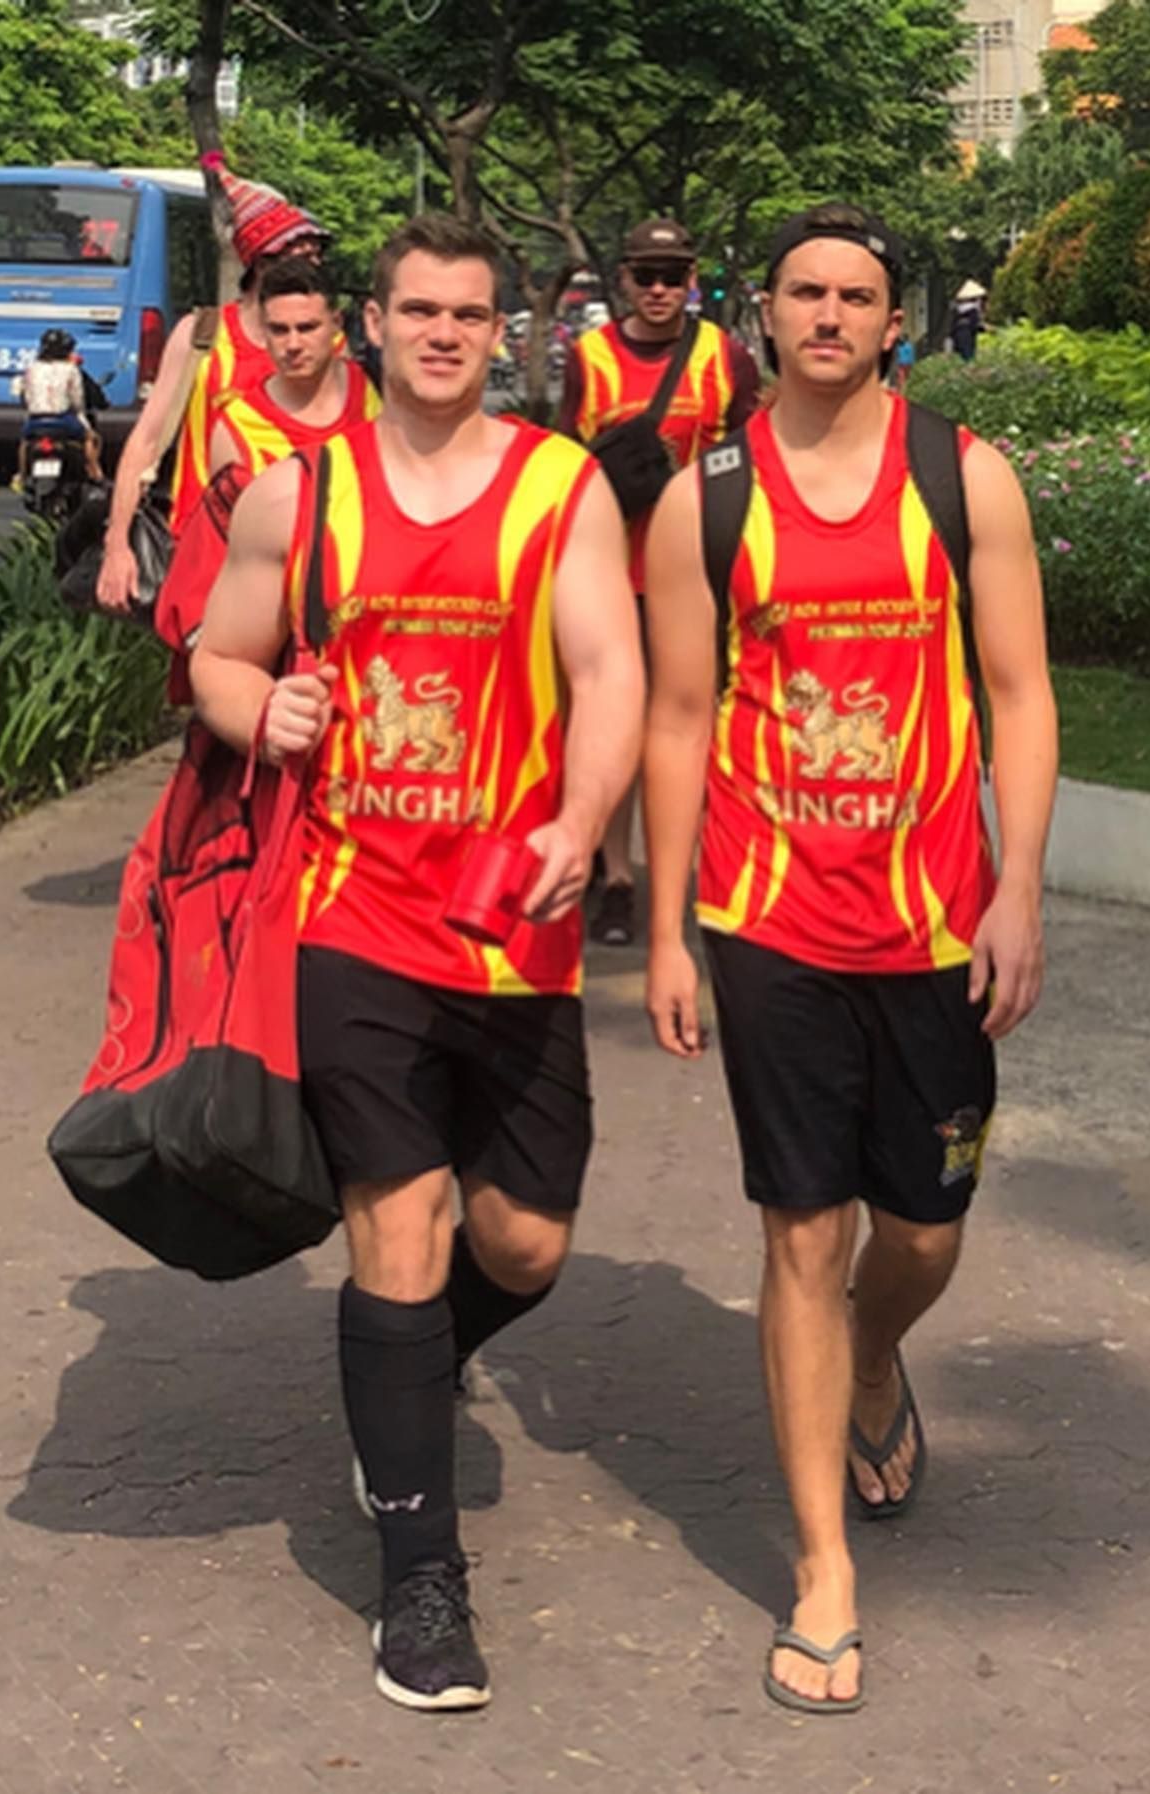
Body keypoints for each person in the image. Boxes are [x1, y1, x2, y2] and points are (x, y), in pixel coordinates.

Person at [190, 214, 644, 1712]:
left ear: (501, 329)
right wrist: (260, 712)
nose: (443, 332)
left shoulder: (559, 485)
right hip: (351, 916)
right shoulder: (297, 493)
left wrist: (585, 820)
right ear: (372, 325)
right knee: (396, 1222)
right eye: (419, 310)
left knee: (521, 1243)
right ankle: (420, 1584)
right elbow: (216, 648)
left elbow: (605, 674)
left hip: (516, 926)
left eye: (470, 312)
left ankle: (403, 1361)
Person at [641, 201, 1057, 1713]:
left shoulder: (965, 477)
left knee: (924, 1234)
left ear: (896, 320)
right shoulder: (705, 499)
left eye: (857, 294)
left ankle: (880, 1351)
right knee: (803, 1236)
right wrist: (674, 925)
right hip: (774, 924)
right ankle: (824, 1566)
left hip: (939, 920)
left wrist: (1020, 884)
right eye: (805, 291)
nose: (829, 314)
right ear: (766, 312)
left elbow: (1018, 691)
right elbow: (678, 719)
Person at [558, 217, 760, 946]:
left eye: (672, 276)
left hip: (697, 580)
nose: (658, 289)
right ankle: (616, 878)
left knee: (693, 731)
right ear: (623, 280)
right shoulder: (590, 359)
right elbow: (564, 465)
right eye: (645, 274)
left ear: (692, 280)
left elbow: (752, 459)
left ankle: (704, 877)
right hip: (609, 574)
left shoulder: (723, 358)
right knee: (612, 727)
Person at [95, 153, 330, 613]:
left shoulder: (329, 343)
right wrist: (118, 545)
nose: (312, 265)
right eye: (295, 255)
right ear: (258, 262)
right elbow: (146, 440)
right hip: (208, 553)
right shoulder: (203, 336)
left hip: (308, 555)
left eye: (316, 254)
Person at [155, 256, 381, 688]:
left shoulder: (372, 395)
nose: (293, 344)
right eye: (279, 330)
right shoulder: (236, 428)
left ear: (335, 323)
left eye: (307, 328)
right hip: (277, 657)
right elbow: (226, 560)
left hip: (368, 634)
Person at [10, 328, 105, 492]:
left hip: (36, 421)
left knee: (25, 443)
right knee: (91, 438)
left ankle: (21, 475)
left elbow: (26, 397)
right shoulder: (71, 370)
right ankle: (94, 471)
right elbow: (77, 401)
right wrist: (84, 422)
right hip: (63, 421)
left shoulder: (32, 368)